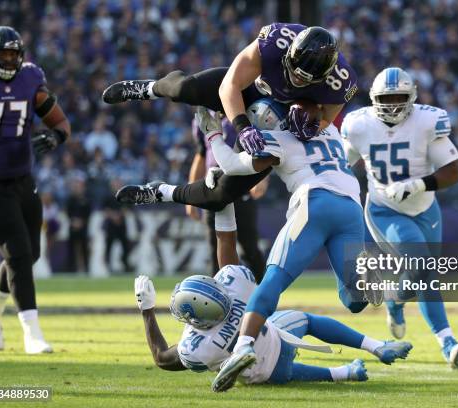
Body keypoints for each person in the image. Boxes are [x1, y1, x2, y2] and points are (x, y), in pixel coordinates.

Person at [187, 101, 392, 392]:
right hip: (349, 206)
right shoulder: (330, 131)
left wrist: (213, 135)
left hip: (313, 204)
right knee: (354, 300)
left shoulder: (278, 138)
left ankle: (244, 345)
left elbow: (232, 165)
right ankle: (369, 278)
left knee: (273, 279)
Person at [133, 203, 412, 388]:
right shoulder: (236, 286)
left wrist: (146, 309)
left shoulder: (194, 349)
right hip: (275, 336)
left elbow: (161, 358)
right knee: (305, 321)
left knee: (279, 372)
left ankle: (343, 372)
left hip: (266, 375)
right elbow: (226, 242)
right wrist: (223, 202)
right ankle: (376, 346)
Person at [105, 23, 358, 212]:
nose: (297, 79)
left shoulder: (341, 82)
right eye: (294, 71)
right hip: (249, 91)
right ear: (290, 52)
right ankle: (147, 89)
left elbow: (325, 120)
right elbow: (230, 85)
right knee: (186, 89)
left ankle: (160, 192)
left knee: (220, 196)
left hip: (279, 124)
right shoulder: (275, 40)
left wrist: (306, 123)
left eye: (306, 79)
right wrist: (242, 127)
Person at [341, 67, 458, 369]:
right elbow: (341, 165)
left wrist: (418, 183)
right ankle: (447, 342)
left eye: (400, 97)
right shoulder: (358, 125)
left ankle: (393, 299)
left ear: (412, 97)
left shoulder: (427, 122)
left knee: (420, 276)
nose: (394, 104)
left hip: (426, 208)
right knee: (425, 270)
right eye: (387, 98)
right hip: (385, 210)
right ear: (374, 99)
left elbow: (454, 172)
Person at [0, 26, 71, 354]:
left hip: (22, 178)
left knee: (30, 253)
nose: (8, 60)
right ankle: (31, 332)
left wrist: (55, 137)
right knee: (18, 252)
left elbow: (61, 123)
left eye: (13, 54)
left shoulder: (29, 79)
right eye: (2, 54)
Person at [187, 114, 266, 281]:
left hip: (241, 185)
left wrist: (262, 178)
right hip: (212, 187)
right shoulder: (202, 117)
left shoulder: (241, 113)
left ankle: (264, 295)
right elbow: (201, 155)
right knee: (214, 247)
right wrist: (190, 195)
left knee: (249, 248)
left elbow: (261, 148)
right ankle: (218, 298)